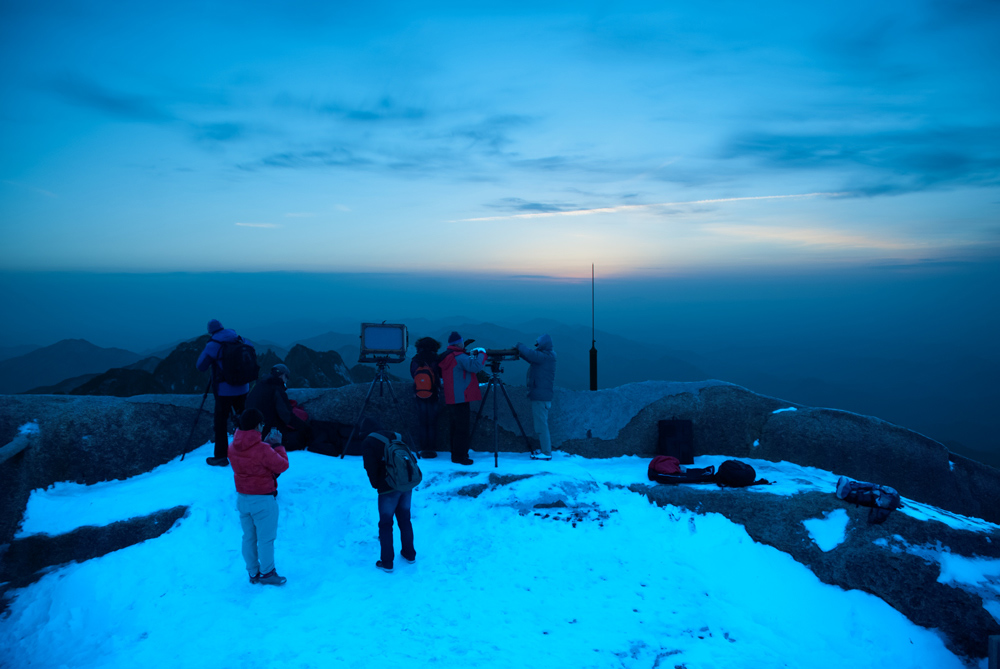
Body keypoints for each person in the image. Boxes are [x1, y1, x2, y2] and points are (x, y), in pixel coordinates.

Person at [229, 408, 289, 586]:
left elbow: (251, 457)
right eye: (262, 424)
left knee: (248, 537)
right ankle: (268, 573)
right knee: (265, 539)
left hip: (243, 499)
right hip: (263, 499)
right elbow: (282, 465)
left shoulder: (232, 446)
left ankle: (253, 572)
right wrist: (276, 445)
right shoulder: (262, 449)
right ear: (257, 425)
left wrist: (266, 445)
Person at [196, 319, 254, 467]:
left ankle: (221, 456)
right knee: (244, 419)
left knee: (220, 423)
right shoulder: (241, 340)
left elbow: (201, 366)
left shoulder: (213, 345)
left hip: (224, 391)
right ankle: (248, 450)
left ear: (211, 331)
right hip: (243, 387)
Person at [362, 423, 418, 573]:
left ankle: (387, 562)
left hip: (388, 488)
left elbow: (370, 466)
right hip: (406, 484)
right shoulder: (396, 436)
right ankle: (410, 554)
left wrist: (377, 484)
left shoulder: (369, 442)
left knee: (386, 524)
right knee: (405, 519)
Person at [438, 331, 486, 466]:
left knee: (455, 427)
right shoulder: (459, 356)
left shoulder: (447, 356)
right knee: (462, 429)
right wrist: (482, 353)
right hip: (462, 396)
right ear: (459, 343)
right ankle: (461, 456)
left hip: (451, 395)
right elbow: (476, 367)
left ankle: (455, 454)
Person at [246, 363, 311, 449]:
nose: (286, 379)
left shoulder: (258, 385)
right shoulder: (277, 389)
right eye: (287, 376)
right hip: (267, 433)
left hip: (250, 431)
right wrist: (306, 428)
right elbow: (287, 416)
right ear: (282, 375)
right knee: (299, 438)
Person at [516, 334, 557, 461]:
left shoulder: (545, 357)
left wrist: (519, 345)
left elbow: (532, 354)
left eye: (538, 344)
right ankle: (545, 450)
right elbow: (530, 357)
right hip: (542, 396)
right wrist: (520, 353)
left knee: (541, 425)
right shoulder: (547, 356)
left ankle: (546, 452)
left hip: (541, 397)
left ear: (543, 344)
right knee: (541, 424)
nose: (536, 346)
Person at [409, 337, 442, 459]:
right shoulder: (435, 359)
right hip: (433, 393)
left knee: (423, 422)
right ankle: (432, 449)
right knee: (432, 422)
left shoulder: (415, 360)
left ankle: (423, 448)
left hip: (419, 393)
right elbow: (440, 374)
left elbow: (413, 374)